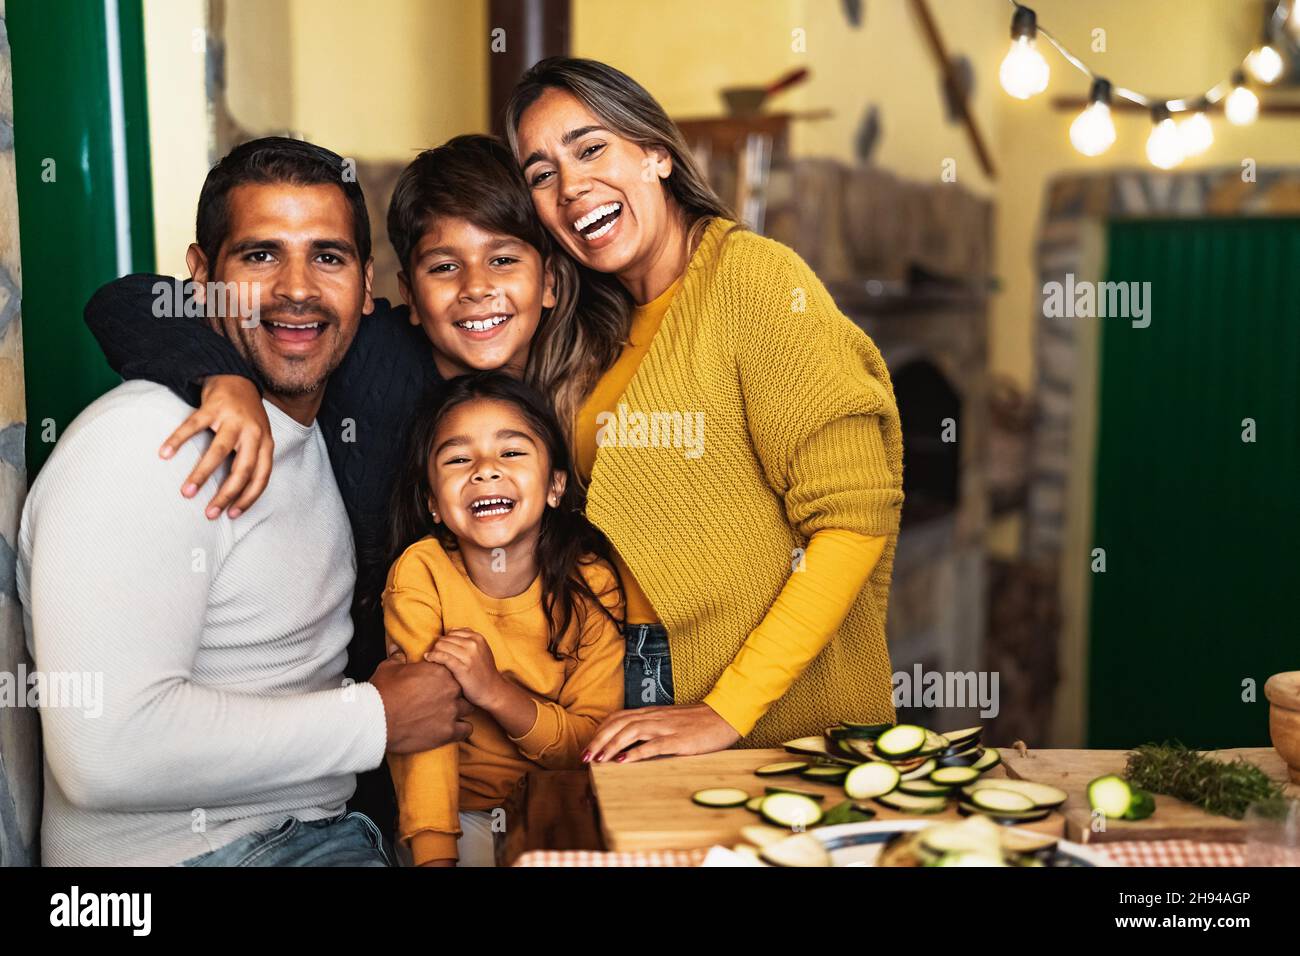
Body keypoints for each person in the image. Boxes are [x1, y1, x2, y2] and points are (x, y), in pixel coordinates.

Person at [81, 134, 587, 834]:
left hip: (536, 727)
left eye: (503, 260)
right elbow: (128, 299)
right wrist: (216, 370)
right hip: (369, 748)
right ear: (401, 292)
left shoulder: (574, 394)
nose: (477, 290)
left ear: (551, 280)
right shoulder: (357, 352)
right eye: (445, 267)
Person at [16, 136, 470, 867]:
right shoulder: (144, 446)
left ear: (365, 285)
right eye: (260, 256)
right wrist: (375, 719)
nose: (297, 287)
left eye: (328, 257)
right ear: (201, 279)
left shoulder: (333, 415)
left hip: (321, 833)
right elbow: (105, 750)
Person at [504, 57, 905, 759]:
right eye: (541, 174)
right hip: (644, 698)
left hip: (784, 727)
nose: (571, 188)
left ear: (656, 153)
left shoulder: (754, 280)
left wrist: (726, 711)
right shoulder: (587, 328)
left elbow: (851, 520)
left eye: (590, 147)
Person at [382, 373, 623, 866]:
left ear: (555, 485)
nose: (485, 471)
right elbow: (420, 730)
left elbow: (589, 741)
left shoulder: (592, 585)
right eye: (457, 459)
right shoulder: (421, 573)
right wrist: (435, 857)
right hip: (454, 815)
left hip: (562, 801)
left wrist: (493, 691)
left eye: (511, 453)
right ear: (432, 502)